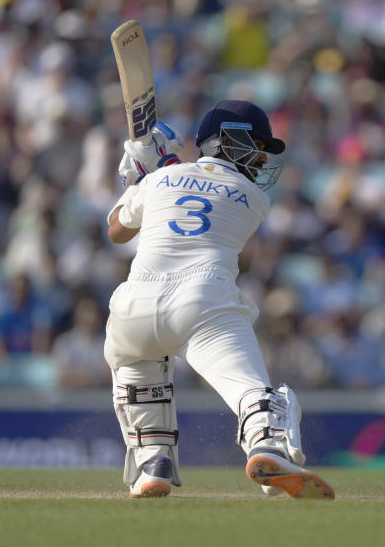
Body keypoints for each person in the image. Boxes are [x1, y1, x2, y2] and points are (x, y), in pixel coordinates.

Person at [105, 100, 335, 500]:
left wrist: (138, 178)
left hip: (133, 304)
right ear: (229, 141)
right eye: (258, 145)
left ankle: (152, 462)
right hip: (202, 301)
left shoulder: (161, 180)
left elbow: (117, 232)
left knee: (136, 373)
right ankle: (267, 445)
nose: (263, 158)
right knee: (254, 395)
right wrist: (161, 167)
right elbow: (195, 183)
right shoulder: (251, 195)